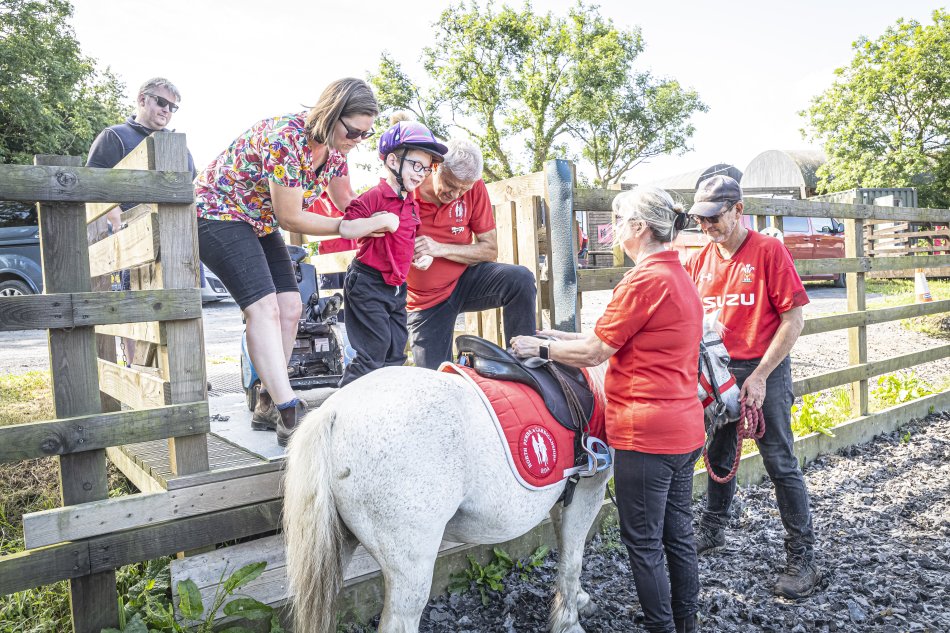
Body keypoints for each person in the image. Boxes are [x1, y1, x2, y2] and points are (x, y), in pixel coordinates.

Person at [511, 187, 704, 633]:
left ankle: (660, 626)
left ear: (640, 227)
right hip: (683, 429)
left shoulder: (642, 281)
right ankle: (685, 623)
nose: (615, 229)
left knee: (643, 542)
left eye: (619, 220)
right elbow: (616, 339)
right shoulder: (677, 275)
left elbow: (597, 352)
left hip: (646, 435)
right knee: (677, 535)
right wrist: (559, 338)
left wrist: (540, 347)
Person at [194, 78, 378, 446]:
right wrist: (347, 227)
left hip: (258, 221)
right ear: (331, 115)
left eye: (366, 134)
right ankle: (288, 409)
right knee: (264, 308)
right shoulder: (286, 138)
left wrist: (390, 219)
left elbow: (347, 201)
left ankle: (267, 400)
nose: (358, 140)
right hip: (217, 213)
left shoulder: (336, 150)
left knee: (291, 307)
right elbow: (291, 217)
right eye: (354, 131)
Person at [684, 175, 818, 599]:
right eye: (701, 219)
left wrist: (760, 375)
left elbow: (793, 319)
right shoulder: (698, 261)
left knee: (779, 460)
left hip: (764, 367)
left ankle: (802, 556)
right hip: (717, 371)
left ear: (738, 210)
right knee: (718, 453)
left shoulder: (768, 251)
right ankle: (713, 528)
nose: (707, 226)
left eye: (714, 217)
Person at [86, 77, 197, 366]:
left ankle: (176, 367)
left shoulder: (177, 145)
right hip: (129, 236)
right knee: (134, 306)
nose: (167, 110)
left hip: (171, 239)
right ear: (142, 99)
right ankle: (137, 368)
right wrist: (118, 225)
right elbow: (93, 186)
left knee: (175, 304)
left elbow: (190, 188)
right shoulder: (115, 136)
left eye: (173, 107)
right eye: (161, 102)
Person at [406, 138, 537, 369]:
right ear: (435, 166)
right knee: (434, 378)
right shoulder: (408, 189)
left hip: (464, 282)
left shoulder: (474, 186)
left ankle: (524, 363)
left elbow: (490, 249)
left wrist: (440, 248)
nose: (456, 194)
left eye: (463, 189)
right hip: (426, 301)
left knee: (520, 279)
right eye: (450, 184)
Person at [336, 120, 447, 387]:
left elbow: (406, 241)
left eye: (427, 168)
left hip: (396, 287)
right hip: (368, 282)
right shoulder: (375, 196)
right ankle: (340, 405)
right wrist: (380, 221)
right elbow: (346, 228)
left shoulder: (411, 204)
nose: (421, 174)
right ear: (394, 161)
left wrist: (421, 257)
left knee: (396, 352)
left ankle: (379, 404)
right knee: (372, 354)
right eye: (416, 165)